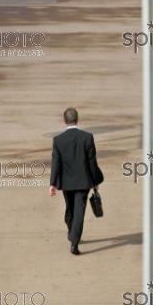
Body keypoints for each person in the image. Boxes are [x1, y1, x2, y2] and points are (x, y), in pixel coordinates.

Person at [49, 108, 104, 255]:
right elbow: (92, 162)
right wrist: (95, 181)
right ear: (77, 120)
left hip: (66, 182)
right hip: (84, 181)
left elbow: (56, 163)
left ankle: (72, 233)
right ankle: (74, 242)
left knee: (69, 209)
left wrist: (52, 184)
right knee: (79, 211)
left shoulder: (58, 140)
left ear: (64, 121)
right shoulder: (87, 137)